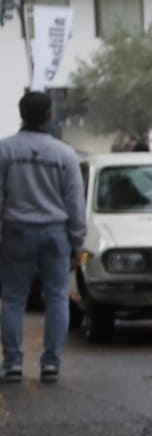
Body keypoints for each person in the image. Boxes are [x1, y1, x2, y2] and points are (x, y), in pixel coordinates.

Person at [0, 89, 85, 382]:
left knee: (12, 298)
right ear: (50, 115)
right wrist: (77, 241)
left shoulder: (5, 150)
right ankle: (51, 363)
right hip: (56, 234)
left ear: (21, 114)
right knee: (57, 297)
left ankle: (12, 363)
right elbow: (75, 202)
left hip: (17, 232)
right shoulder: (64, 154)